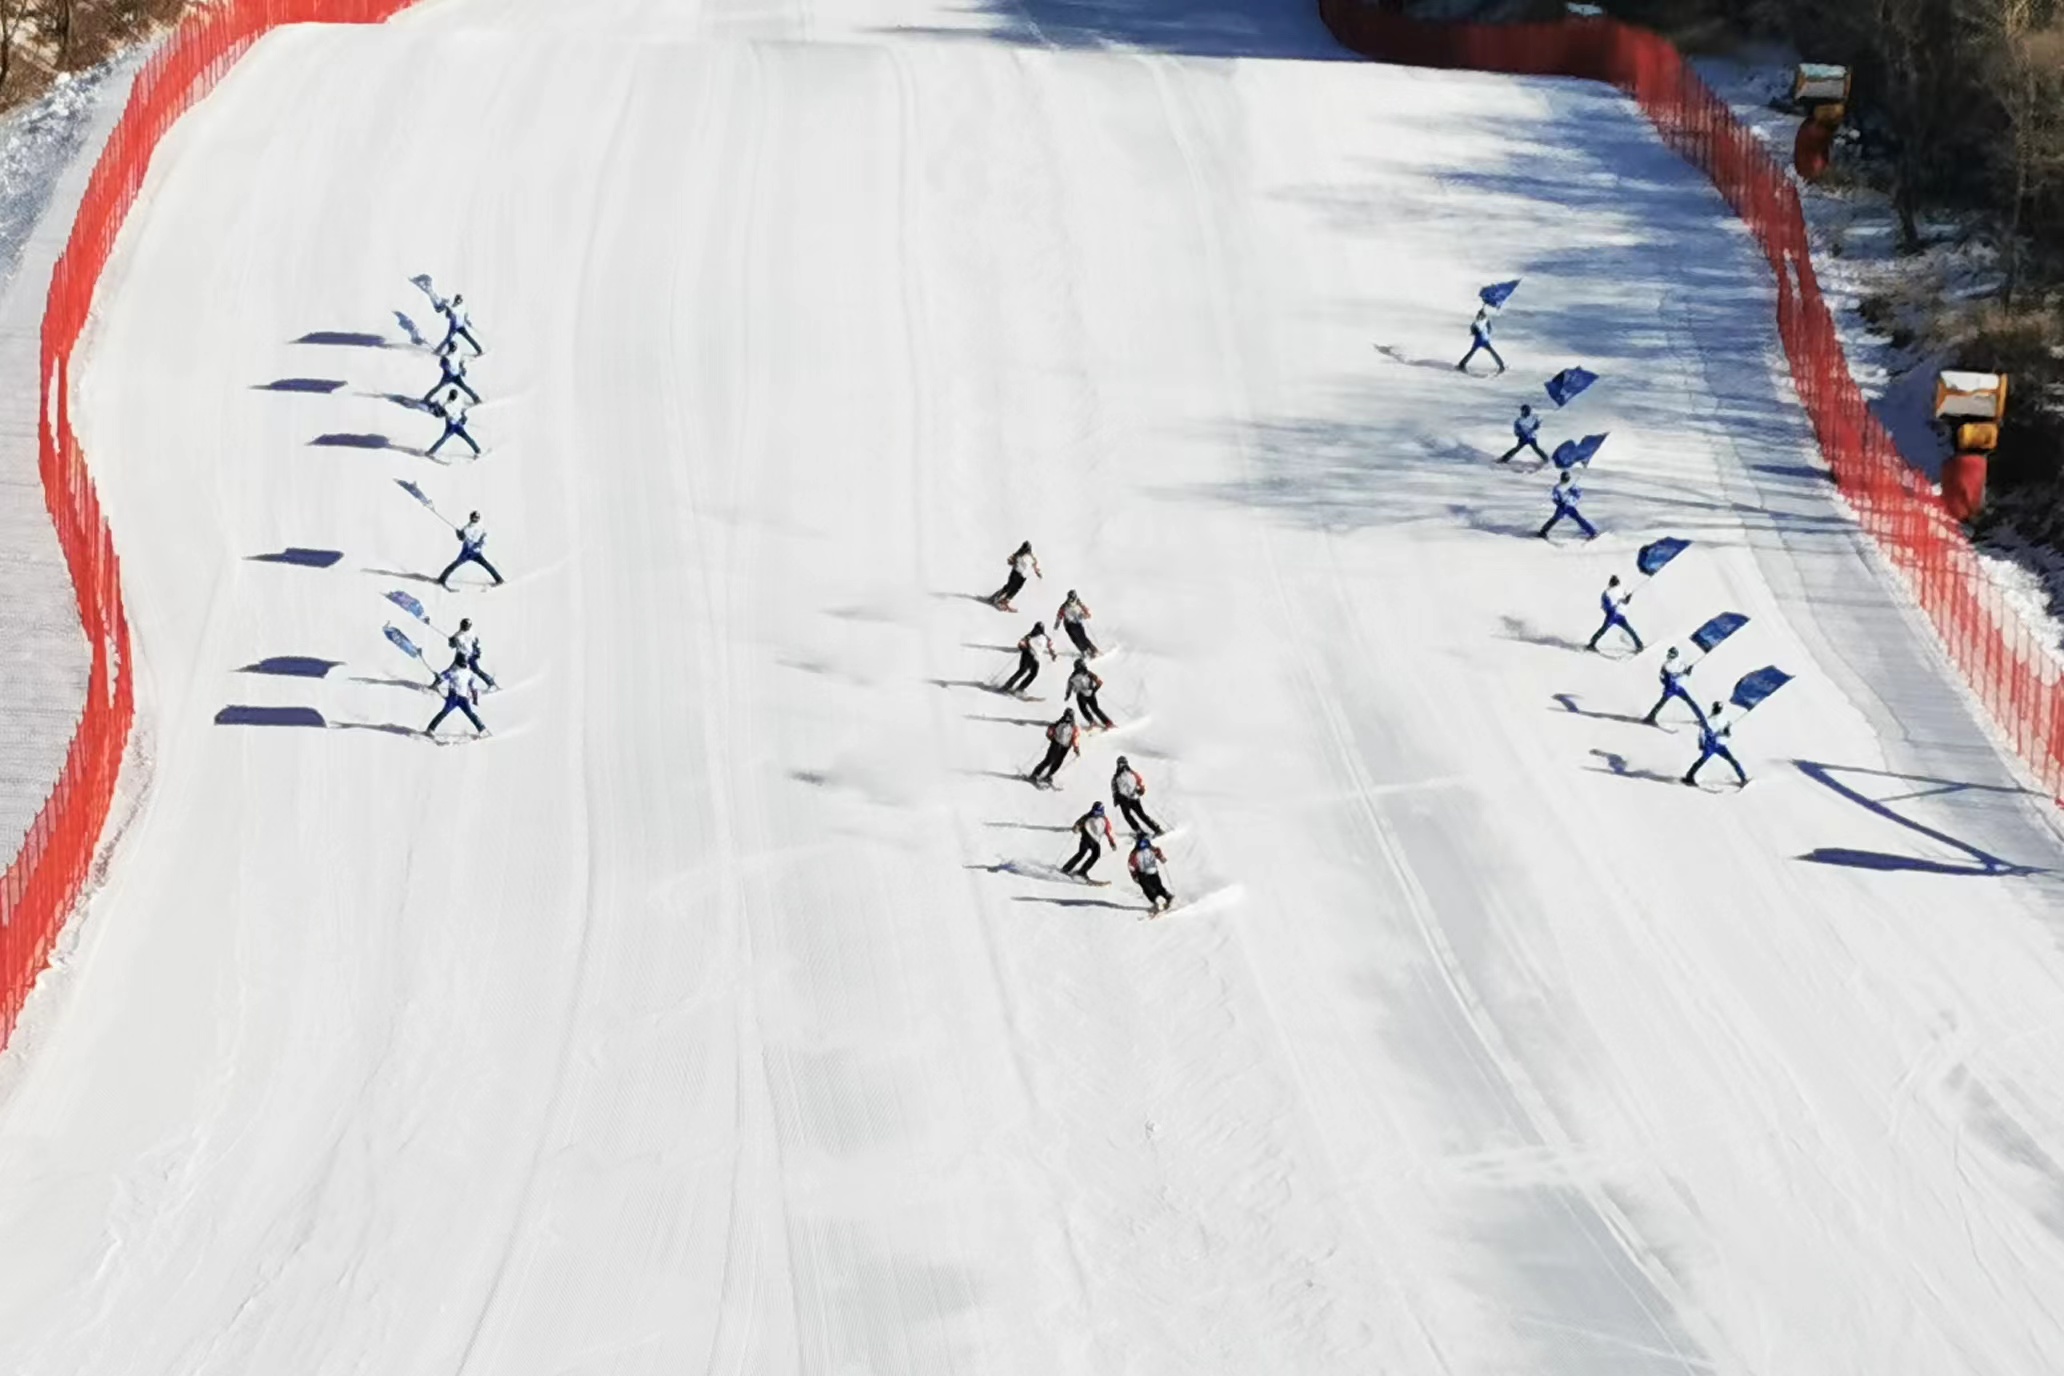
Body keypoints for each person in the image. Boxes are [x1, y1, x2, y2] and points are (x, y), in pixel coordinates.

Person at [1682, 704, 1748, 787]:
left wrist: (1727, 731)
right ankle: (1743, 778)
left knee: (1703, 761)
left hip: (1718, 745)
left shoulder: (1722, 719)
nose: (1717, 710)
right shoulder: (1710, 720)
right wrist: (1701, 742)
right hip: (1713, 745)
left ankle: (1689, 776)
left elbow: (1726, 734)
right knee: (1731, 761)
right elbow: (1702, 732)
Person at [438, 511, 505, 588]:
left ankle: (499, 579)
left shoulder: (480, 527)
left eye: (477, 517)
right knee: (454, 565)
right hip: (466, 552)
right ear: (471, 517)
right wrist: (459, 534)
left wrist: (478, 544)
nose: (475, 519)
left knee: (487, 565)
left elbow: (481, 538)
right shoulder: (467, 527)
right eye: (474, 517)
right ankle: (442, 579)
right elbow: (462, 538)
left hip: (475, 552)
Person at [1643, 647, 1704, 726]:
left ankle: (1650, 717)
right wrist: (1687, 672)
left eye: (1671, 654)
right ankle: (1702, 719)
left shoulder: (1668, 664)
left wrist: (1686, 672)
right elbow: (1680, 676)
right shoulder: (1673, 664)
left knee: (1662, 702)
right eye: (1669, 653)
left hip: (1672, 688)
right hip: (1676, 687)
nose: (1669, 655)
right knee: (1691, 702)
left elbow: (1663, 677)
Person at [425, 665, 489, 738]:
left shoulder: (464, 673)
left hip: (461, 698)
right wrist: (439, 678)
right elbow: (442, 678)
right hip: (454, 697)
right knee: (445, 713)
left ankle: (482, 729)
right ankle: (430, 729)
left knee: (467, 714)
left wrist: (475, 699)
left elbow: (472, 687)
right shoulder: (455, 672)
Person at [1060, 801, 1117, 880]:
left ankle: (1082, 872)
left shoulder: (1104, 820)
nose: (1095, 813)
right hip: (1086, 838)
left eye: (1097, 811)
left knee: (1096, 855)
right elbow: (1078, 824)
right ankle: (1066, 868)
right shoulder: (1087, 816)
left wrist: (1112, 843)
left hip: (1095, 841)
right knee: (1081, 853)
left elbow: (1108, 832)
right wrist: (1076, 827)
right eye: (1094, 810)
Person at [1586, 575, 1643, 653]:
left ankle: (1639, 645)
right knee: (1604, 629)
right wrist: (1613, 606)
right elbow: (1606, 605)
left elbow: (1625, 602)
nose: (1616, 584)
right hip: (1612, 615)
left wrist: (1628, 598)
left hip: (1620, 615)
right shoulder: (1607, 593)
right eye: (1615, 582)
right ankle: (1592, 644)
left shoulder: (1621, 590)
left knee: (1629, 630)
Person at [1538, 471, 1597, 541]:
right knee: (1554, 519)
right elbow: (1554, 498)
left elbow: (1579, 494)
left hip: (1570, 506)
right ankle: (1543, 531)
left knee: (1579, 519)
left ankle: (1592, 532)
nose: (1565, 480)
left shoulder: (1573, 486)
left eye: (1566, 479)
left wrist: (1573, 496)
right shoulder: (1558, 487)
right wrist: (1559, 503)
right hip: (1562, 507)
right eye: (1563, 479)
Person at [1028, 709, 1080, 787]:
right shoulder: (1059, 723)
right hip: (1056, 743)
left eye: (1070, 716)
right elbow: (1051, 729)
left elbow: (1075, 737)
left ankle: (1049, 775)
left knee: (1058, 762)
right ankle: (1035, 774)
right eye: (1066, 715)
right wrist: (1050, 734)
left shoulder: (1074, 727)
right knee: (1049, 760)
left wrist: (1076, 747)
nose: (1068, 718)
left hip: (1065, 747)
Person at [1111, 756, 1162, 836]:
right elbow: (1114, 788)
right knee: (1129, 816)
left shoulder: (1130, 773)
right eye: (1120, 764)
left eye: (1123, 764)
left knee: (1140, 815)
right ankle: (1140, 831)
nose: (1122, 766)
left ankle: (1156, 829)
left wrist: (1141, 789)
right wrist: (1116, 798)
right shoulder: (1117, 776)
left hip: (1132, 798)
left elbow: (1139, 782)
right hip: (1124, 799)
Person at [1001, 620, 1054, 696]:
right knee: (1022, 670)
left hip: (1035, 657)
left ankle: (1020, 689)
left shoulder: (1044, 637)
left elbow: (1049, 645)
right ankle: (1007, 686)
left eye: (1039, 629)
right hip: (1027, 654)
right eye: (1036, 628)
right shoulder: (1030, 635)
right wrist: (1023, 646)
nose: (1037, 630)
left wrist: (1052, 653)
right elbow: (1021, 643)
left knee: (1034, 673)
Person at [1128, 832, 1174, 914]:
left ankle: (1157, 901)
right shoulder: (1150, 848)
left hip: (1143, 873)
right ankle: (1167, 897)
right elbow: (1157, 851)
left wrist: (1134, 875)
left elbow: (1131, 864)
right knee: (1157, 886)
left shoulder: (1135, 852)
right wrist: (1161, 857)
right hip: (1153, 871)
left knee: (1147, 889)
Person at [423, 340, 481, 406]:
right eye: (453, 347)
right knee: (439, 387)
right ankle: (426, 398)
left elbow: (460, 360)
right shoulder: (447, 357)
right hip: (448, 376)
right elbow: (442, 364)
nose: (453, 349)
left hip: (456, 375)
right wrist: (448, 368)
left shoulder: (456, 353)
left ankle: (476, 398)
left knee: (464, 387)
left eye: (454, 347)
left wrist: (461, 367)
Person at [426, 392, 481, 459]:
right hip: (455, 424)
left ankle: (431, 452)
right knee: (466, 437)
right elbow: (455, 412)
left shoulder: (449, 404)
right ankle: (477, 450)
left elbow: (445, 414)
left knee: (444, 439)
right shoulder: (450, 404)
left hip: (453, 425)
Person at [989, 541, 1041, 611]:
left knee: (1015, 590)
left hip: (1023, 576)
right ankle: (996, 597)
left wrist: (1037, 572)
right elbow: (1009, 561)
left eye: (1028, 549)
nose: (1027, 551)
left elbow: (1034, 565)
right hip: (1016, 573)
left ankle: (1004, 601)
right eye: (1025, 549)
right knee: (1009, 586)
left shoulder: (1032, 558)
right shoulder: (1018, 554)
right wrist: (1014, 562)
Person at [1456, 305, 1506, 374]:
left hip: (1481, 339)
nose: (1480, 316)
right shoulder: (1482, 321)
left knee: (1473, 352)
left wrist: (1475, 332)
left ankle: (1462, 364)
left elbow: (1475, 329)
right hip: (1483, 338)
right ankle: (1501, 365)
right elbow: (1488, 329)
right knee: (1489, 352)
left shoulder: (1480, 321)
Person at [451, 616, 496, 691]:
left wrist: (477, 653)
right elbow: (452, 646)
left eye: (465, 626)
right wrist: (452, 641)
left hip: (469, 656)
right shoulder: (458, 635)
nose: (463, 627)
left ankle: (490, 682)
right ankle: (437, 683)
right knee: (453, 670)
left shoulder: (471, 635)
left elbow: (477, 645)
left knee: (476, 670)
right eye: (463, 625)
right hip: (460, 656)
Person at [1068, 657, 1114, 729]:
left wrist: (1093, 690)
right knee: (1087, 708)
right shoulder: (1076, 676)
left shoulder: (1087, 674)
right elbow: (1070, 684)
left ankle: (1105, 722)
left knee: (1092, 709)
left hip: (1087, 694)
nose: (1079, 669)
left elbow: (1099, 682)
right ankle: (1096, 722)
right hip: (1084, 694)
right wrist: (1068, 693)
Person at [1055, 589, 1099, 657]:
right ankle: (1083, 651)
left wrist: (1086, 614)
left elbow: (1086, 610)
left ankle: (1093, 650)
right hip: (1069, 625)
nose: (1071, 600)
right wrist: (1057, 624)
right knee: (1075, 639)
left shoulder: (1079, 603)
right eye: (1070, 598)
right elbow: (1059, 615)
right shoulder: (1064, 606)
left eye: (1072, 598)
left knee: (1082, 637)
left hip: (1077, 623)